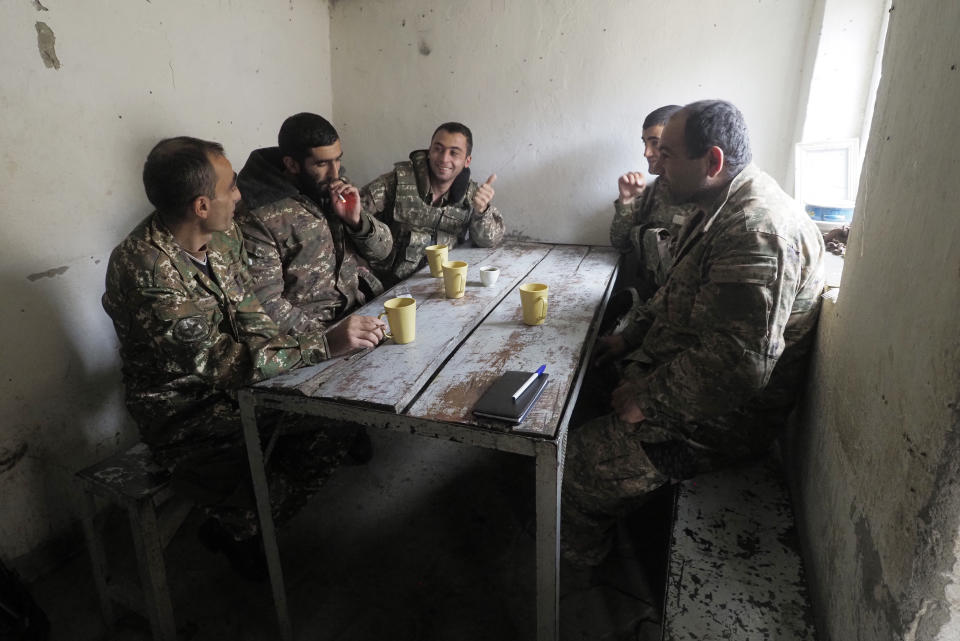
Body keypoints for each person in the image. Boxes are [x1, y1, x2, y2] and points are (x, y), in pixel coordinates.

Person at [102, 137, 386, 578]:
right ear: (200, 205)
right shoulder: (145, 270)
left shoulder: (223, 235)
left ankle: (245, 521)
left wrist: (305, 357)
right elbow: (221, 365)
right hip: (188, 413)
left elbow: (252, 313)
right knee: (309, 442)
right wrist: (323, 345)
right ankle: (239, 527)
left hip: (244, 386)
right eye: (231, 187)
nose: (239, 195)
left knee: (345, 414)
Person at [562, 100, 826, 567]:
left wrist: (647, 398)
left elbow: (739, 364)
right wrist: (629, 338)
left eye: (667, 155)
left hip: (720, 422)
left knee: (574, 466)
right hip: (683, 379)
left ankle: (576, 560)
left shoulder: (755, 229)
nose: (656, 167)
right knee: (571, 384)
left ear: (713, 161)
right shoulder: (716, 205)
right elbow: (675, 291)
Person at [236, 112, 393, 336]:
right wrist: (329, 338)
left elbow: (384, 251)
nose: (335, 172)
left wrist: (357, 222)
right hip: (313, 339)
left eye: (338, 159)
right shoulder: (258, 213)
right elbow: (264, 304)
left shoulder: (334, 188)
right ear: (292, 164)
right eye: (322, 163)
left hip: (361, 311)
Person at [361, 122, 504, 287]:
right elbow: (354, 213)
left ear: (467, 161)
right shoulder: (398, 181)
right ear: (429, 152)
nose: (444, 158)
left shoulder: (472, 195)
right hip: (390, 284)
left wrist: (482, 211)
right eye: (438, 149)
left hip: (441, 283)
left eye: (454, 153)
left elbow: (489, 241)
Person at [609, 104, 697, 300]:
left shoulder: (703, 197)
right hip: (650, 301)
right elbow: (621, 243)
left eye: (655, 143)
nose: (646, 153)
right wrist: (627, 200)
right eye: (645, 143)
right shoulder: (652, 192)